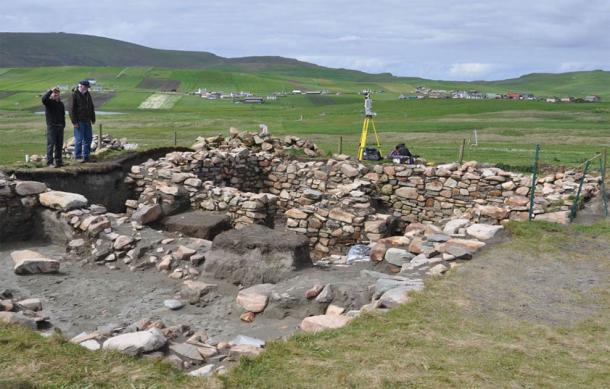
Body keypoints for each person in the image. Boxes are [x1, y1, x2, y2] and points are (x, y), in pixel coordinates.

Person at [69, 80, 96, 162]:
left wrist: (93, 118)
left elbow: (91, 106)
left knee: (88, 139)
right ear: (81, 86)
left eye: (88, 87)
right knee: (79, 140)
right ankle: (78, 157)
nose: (87, 88)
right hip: (79, 121)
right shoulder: (74, 95)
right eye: (86, 87)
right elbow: (71, 110)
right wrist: (74, 122)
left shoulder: (87, 94)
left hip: (87, 120)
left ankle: (86, 156)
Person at [41, 87, 65, 167]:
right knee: (51, 144)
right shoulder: (49, 102)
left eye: (57, 93)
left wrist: (63, 125)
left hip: (60, 127)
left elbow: (63, 115)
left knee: (59, 145)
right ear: (51, 94)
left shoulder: (61, 104)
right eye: (54, 93)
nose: (56, 94)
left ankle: (59, 161)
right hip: (52, 126)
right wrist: (50, 90)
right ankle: (49, 162)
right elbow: (44, 99)